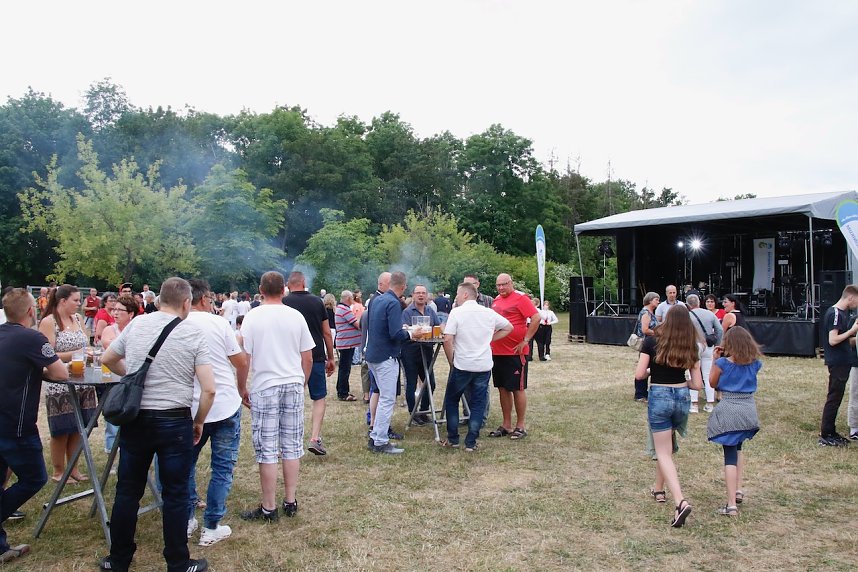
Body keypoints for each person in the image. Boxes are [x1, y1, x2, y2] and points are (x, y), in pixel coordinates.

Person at [100, 277, 216, 572]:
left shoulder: (138, 324)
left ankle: (119, 559)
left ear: (159, 298)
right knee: (176, 494)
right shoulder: (193, 333)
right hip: (175, 420)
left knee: (128, 490)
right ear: (187, 302)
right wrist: (199, 420)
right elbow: (209, 389)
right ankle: (178, 562)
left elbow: (108, 358)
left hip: (137, 419)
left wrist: (133, 377)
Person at [0, 288, 68, 564]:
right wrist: (38, 369)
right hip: (15, 425)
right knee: (34, 477)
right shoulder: (31, 337)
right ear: (31, 311)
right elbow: (60, 373)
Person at [239, 271, 314, 521]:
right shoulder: (296, 316)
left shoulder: (252, 317)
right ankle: (290, 500)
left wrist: (242, 388)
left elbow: (245, 359)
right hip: (291, 382)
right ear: (284, 289)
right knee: (292, 445)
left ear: (261, 289)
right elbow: (308, 357)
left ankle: (269, 507)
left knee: (267, 448)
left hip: (266, 385)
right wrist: (301, 382)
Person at [185, 280, 249, 546]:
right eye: (211, 300)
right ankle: (211, 526)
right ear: (203, 300)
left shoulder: (174, 324)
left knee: (184, 465)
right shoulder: (218, 323)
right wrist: (241, 387)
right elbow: (240, 360)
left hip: (188, 406)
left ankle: (186, 518)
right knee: (222, 467)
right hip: (222, 403)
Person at [634, 304, 703, 528]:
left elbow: (639, 374)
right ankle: (658, 489)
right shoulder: (691, 346)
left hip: (660, 395)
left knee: (663, 452)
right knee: (667, 446)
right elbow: (698, 385)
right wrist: (686, 383)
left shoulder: (652, 342)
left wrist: (651, 370)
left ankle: (680, 502)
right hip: (682, 396)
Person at [441, 282, 512, 451]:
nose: (456, 297)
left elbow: (447, 339)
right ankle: (471, 442)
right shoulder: (488, 313)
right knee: (478, 403)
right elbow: (509, 327)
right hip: (483, 365)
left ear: (465, 295)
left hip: (462, 364)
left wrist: (451, 360)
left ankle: (453, 439)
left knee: (452, 400)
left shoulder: (456, 313)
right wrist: (490, 339)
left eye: (458, 294)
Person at [38, 284, 96, 483]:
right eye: (76, 300)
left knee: (79, 428)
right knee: (62, 428)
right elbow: (48, 354)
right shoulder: (49, 322)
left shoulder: (79, 319)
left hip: (83, 380)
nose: (79, 304)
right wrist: (76, 354)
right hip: (60, 381)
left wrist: (88, 353)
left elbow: (86, 344)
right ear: (63, 301)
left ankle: (73, 468)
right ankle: (58, 470)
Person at [365, 271, 425, 454]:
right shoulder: (392, 302)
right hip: (386, 357)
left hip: (373, 354)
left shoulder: (377, 300)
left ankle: (375, 437)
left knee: (383, 396)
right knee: (387, 399)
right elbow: (395, 334)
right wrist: (411, 333)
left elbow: (380, 327)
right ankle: (381, 441)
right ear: (404, 286)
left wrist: (403, 329)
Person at [708, 326, 762, 516]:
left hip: (729, 407)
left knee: (729, 455)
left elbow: (713, 383)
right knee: (738, 448)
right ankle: (738, 489)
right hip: (748, 409)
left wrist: (715, 361)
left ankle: (731, 504)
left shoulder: (723, 363)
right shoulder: (755, 364)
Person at [283, 272, 335, 456]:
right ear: (304, 283)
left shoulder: (284, 303)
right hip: (316, 355)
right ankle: (314, 438)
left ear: (289, 285)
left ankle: (284, 444)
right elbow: (326, 332)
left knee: (288, 400)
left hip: (290, 357)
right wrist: (331, 357)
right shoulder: (316, 302)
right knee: (318, 397)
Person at [488, 274, 539, 440]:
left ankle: (520, 425)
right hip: (497, 352)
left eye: (504, 284)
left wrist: (526, 340)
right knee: (502, 388)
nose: (501, 288)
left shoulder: (521, 298)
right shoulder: (496, 300)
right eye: (498, 285)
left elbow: (536, 317)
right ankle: (506, 424)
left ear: (511, 283)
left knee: (518, 388)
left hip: (515, 352)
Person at [818, 285, 858, 446]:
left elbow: (845, 341)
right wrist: (853, 330)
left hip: (843, 360)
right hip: (838, 362)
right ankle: (826, 433)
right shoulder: (835, 313)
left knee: (837, 396)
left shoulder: (842, 314)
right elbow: (833, 340)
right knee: (833, 398)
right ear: (851, 298)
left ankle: (831, 430)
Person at [100, 295, 138, 454]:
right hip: (113, 379)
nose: (115, 313)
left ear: (131, 314)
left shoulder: (137, 329)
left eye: (119, 310)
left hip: (132, 381)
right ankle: (111, 452)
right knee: (113, 419)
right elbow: (112, 348)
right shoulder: (109, 329)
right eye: (114, 309)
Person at [400, 285, 441, 426]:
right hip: (410, 352)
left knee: (431, 383)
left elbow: (437, 327)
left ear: (427, 295)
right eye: (418, 293)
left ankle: (424, 410)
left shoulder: (430, 310)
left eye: (423, 293)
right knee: (411, 384)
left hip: (427, 351)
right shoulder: (407, 312)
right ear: (413, 295)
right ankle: (413, 413)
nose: (421, 295)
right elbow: (404, 332)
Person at [687, 294, 723, 414]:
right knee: (707, 375)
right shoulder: (710, 314)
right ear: (699, 302)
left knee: (693, 374)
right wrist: (716, 344)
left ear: (688, 305)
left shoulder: (687, 315)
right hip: (708, 346)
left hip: (693, 345)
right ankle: (709, 403)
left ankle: (694, 404)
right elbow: (720, 330)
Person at [632, 291, 660, 402]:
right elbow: (645, 330)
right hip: (646, 345)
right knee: (644, 368)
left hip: (650, 344)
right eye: (656, 299)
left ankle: (644, 392)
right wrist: (658, 333)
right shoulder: (646, 313)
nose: (658, 301)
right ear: (649, 300)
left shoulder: (650, 313)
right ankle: (640, 394)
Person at [334, 290, 361, 402]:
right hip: (346, 344)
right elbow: (357, 324)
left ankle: (341, 389)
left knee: (343, 368)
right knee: (345, 369)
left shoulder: (340, 308)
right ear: (348, 298)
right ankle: (343, 393)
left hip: (344, 343)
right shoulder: (345, 310)